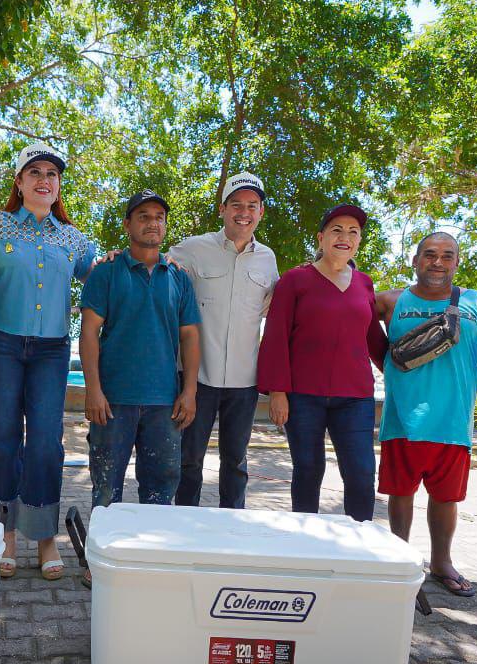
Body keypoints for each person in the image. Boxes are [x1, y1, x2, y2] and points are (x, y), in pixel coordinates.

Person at [0, 144, 96, 580]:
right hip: (2, 346)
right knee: (2, 438)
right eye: (35, 172)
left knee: (45, 443)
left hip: (52, 351)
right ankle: (3, 534)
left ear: (58, 186)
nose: (45, 179)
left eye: (52, 174)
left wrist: (135, 260)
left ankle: (44, 537)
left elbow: (101, 279)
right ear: (19, 182)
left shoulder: (75, 239)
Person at [375, 232, 477, 596]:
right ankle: (398, 558)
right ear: (415, 261)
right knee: (400, 493)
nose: (438, 262)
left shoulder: (475, 302)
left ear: (457, 263)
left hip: (452, 421)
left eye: (447, 256)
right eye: (429, 254)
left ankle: (441, 562)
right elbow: (369, 339)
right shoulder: (389, 302)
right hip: (402, 419)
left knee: (446, 497)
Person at [257, 203, 387, 520]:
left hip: (355, 398)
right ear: (321, 237)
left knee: (360, 472)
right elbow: (275, 337)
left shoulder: (364, 284)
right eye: (337, 230)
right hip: (303, 397)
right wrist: (277, 392)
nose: (345, 237)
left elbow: (373, 339)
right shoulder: (294, 281)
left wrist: (402, 377)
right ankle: (306, 542)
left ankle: (359, 543)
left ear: (359, 241)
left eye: (353, 232)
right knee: (308, 469)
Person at [80, 189, 201, 515]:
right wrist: (93, 390)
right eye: (144, 216)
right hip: (113, 401)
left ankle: (151, 560)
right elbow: (89, 332)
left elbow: (190, 337)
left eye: (159, 217)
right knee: (106, 490)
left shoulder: (178, 277)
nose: (153, 223)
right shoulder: (105, 272)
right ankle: (98, 563)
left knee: (161, 492)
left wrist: (189, 391)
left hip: (165, 403)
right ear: (127, 224)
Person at [166, 172, 279, 509]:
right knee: (188, 461)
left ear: (260, 212)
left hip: (244, 383)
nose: (243, 212)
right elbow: (155, 267)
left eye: (252, 206)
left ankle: (233, 531)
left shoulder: (268, 259)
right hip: (197, 378)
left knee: (236, 463)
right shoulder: (192, 249)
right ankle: (185, 529)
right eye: (236, 205)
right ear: (222, 208)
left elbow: (274, 307)